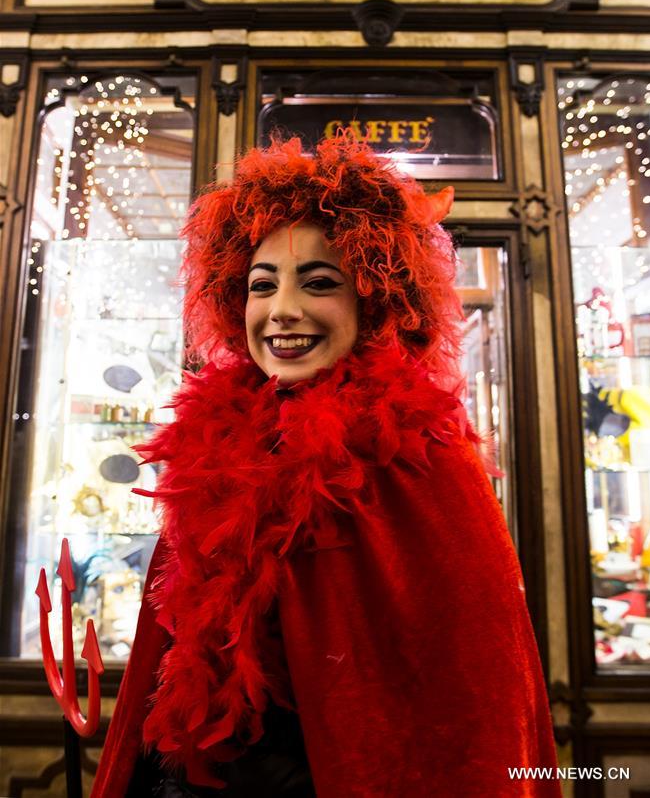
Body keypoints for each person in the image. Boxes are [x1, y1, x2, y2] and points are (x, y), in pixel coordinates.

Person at [91, 134, 561, 797]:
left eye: (319, 283)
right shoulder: (216, 442)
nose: (283, 310)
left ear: (374, 300)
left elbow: (467, 712)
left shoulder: (417, 458)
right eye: (262, 285)